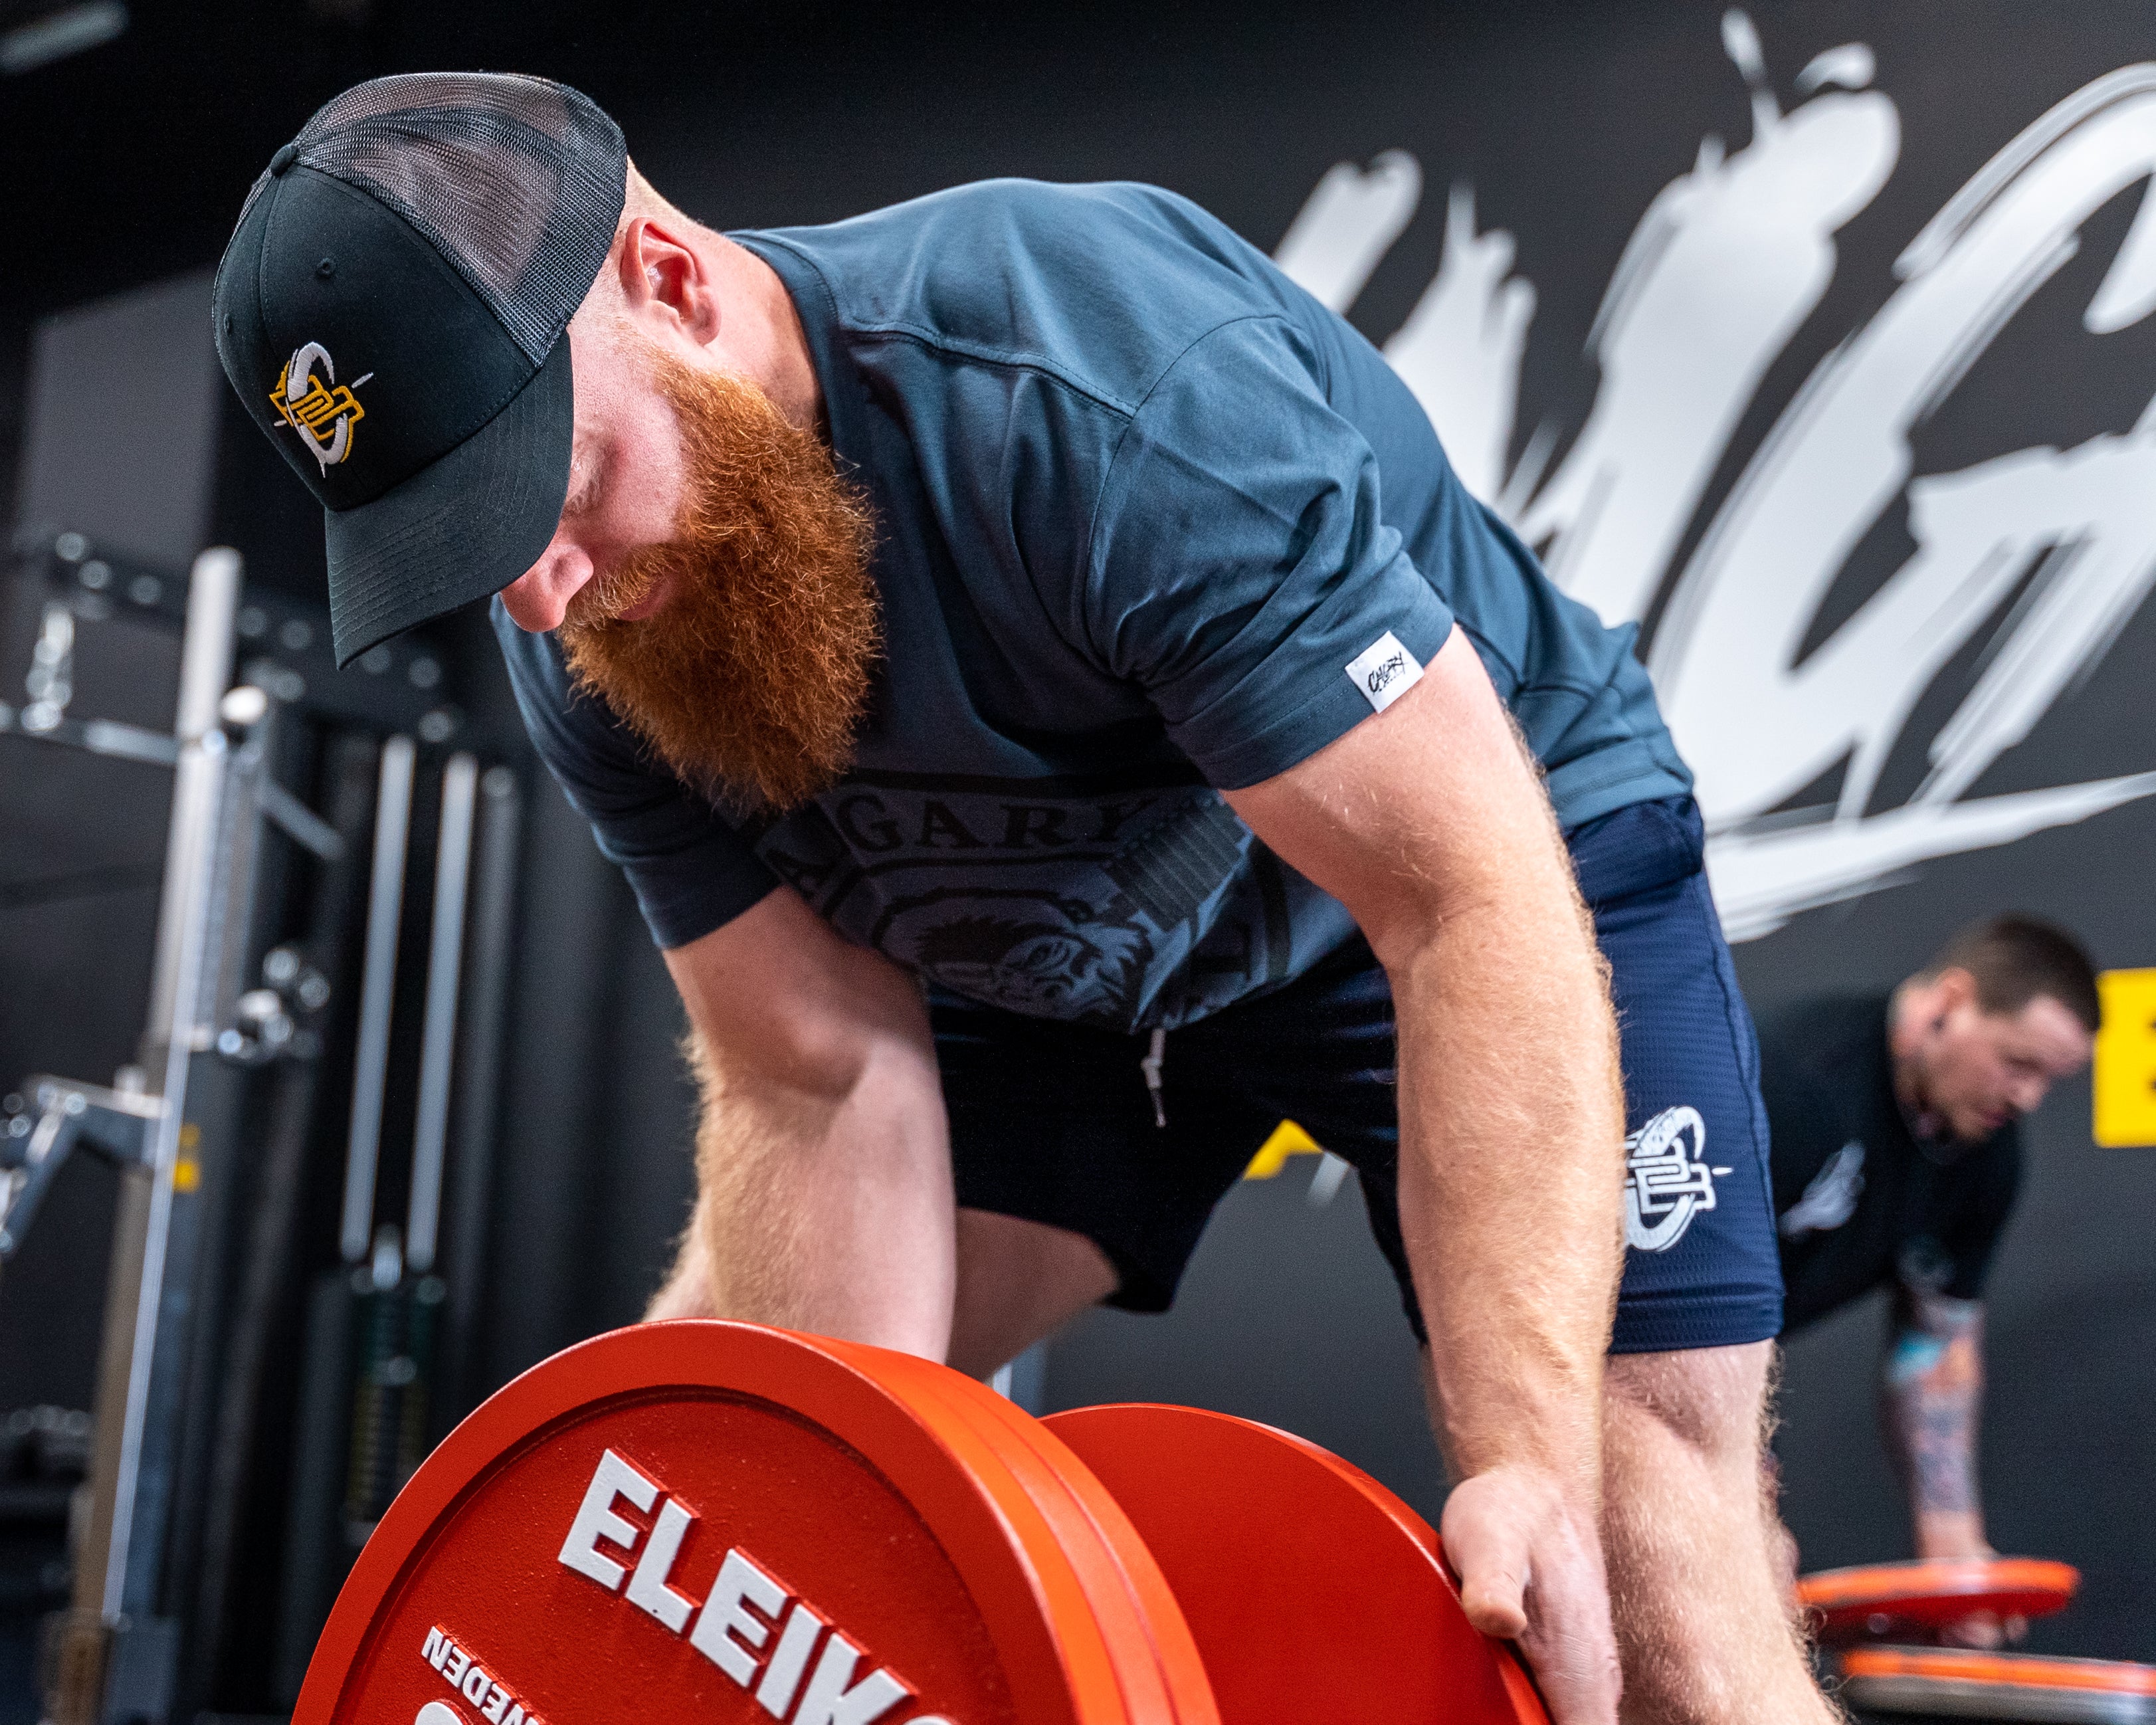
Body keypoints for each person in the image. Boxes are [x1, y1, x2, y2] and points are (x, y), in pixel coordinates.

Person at [212, 73, 1831, 1724]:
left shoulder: (1094, 386)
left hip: (1458, 860)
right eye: (470, 545)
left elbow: (1457, 899)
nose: (541, 596)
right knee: (731, 1488)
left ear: (669, 277)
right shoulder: (593, 618)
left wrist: (1518, 1463)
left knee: (1635, 1567)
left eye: (545, 492)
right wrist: (795, 1597)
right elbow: (813, 1066)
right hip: (1054, 952)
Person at [1761, 915, 2098, 1643]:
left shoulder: (1985, 1155)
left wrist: (1955, 1554)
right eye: (2017, 1062)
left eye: (2047, 1078)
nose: (2028, 1098)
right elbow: (1665, 1307)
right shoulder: (1796, 1082)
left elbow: (1935, 1349)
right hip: (1601, 1347)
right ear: (1948, 1001)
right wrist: (1731, 1495)